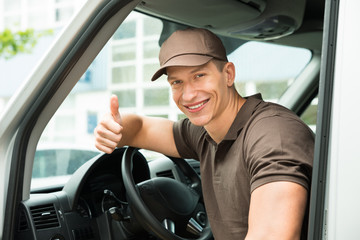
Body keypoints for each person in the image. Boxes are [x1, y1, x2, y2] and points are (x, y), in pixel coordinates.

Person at [94, 28, 314, 240]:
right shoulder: (205, 133)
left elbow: (273, 236)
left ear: (228, 74)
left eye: (199, 75)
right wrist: (116, 129)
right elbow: (142, 128)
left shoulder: (272, 136)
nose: (188, 95)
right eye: (177, 82)